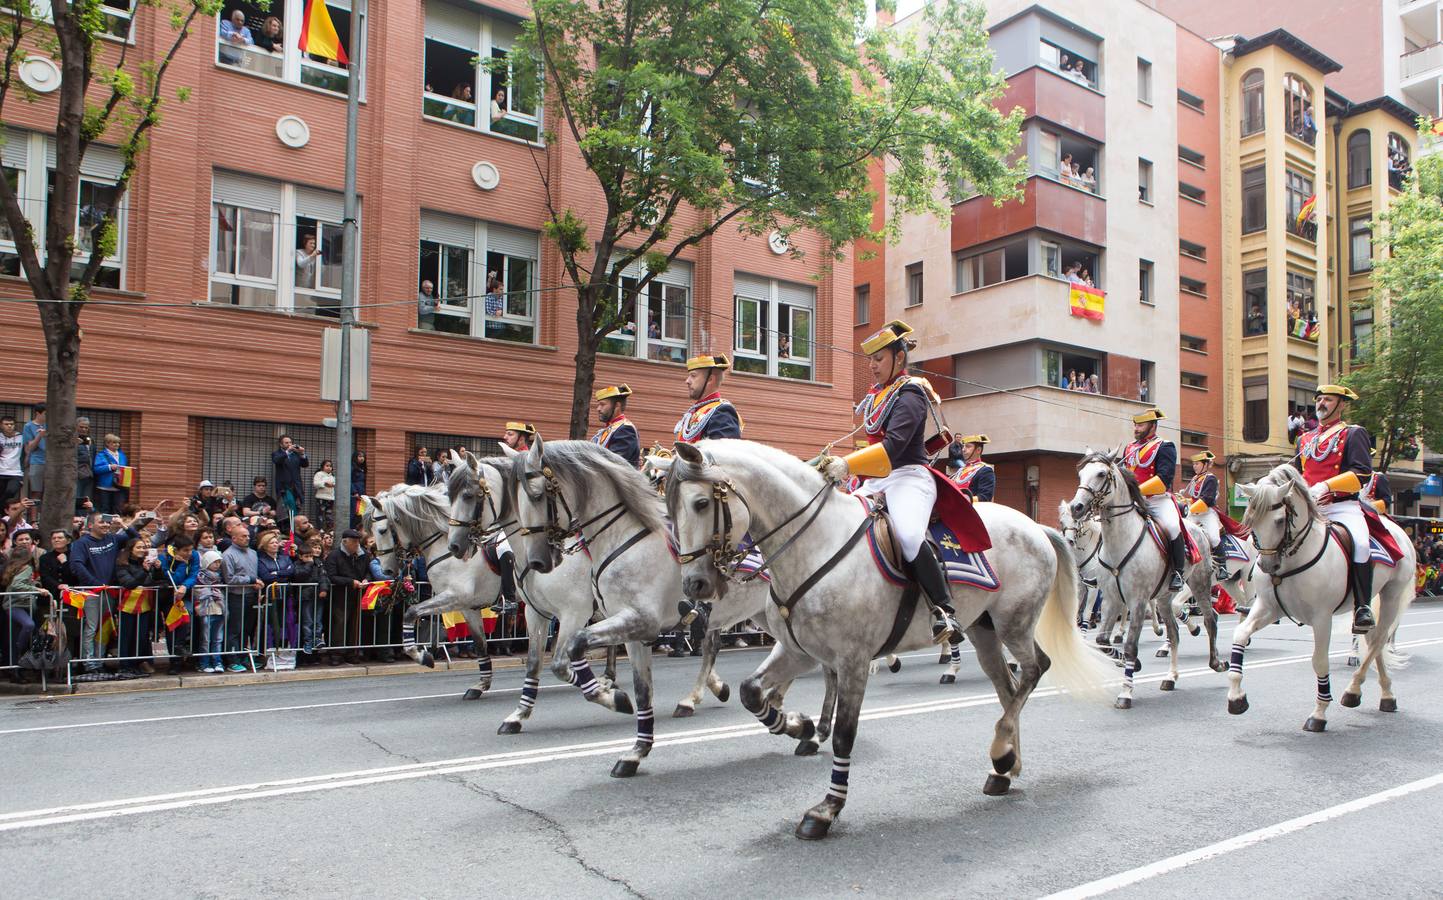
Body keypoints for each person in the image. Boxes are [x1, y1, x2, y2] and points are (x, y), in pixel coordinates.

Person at [824, 320, 963, 642]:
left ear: (899, 358)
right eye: (870, 359)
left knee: (909, 535)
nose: (872, 366)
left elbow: (894, 446)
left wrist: (845, 465)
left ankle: (944, 610)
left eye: (879, 358)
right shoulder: (876, 396)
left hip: (908, 476)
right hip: (875, 479)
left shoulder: (911, 391)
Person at [1291, 384, 1379, 634]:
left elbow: (1361, 474)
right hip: (1311, 507)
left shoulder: (1353, 433)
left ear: (1341, 405)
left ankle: (1362, 607)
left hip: (1342, 507)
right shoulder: (1304, 439)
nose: (1321, 403)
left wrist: (1325, 486)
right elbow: (1298, 473)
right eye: (1319, 399)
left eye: (1328, 400)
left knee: (1361, 544)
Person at [1124, 408, 1186, 592]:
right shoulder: (1129, 448)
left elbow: (1163, 479)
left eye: (1140, 424)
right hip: (1132, 500)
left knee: (1173, 527)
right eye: (1135, 424)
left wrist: (1137, 492)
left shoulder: (1165, 446)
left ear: (1153, 426)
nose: (1136, 428)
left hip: (1158, 500)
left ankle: (1178, 572)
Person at [112, 534, 158, 676]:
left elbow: (154, 582)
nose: (142, 550)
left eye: (143, 547)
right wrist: (144, 571)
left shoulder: (145, 563)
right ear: (130, 549)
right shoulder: (122, 564)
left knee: (141, 637)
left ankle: (137, 664)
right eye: (138, 547)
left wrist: (158, 569)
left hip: (144, 606)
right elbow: (129, 584)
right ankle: (125, 665)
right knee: (126, 637)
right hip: (127, 606)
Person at [324, 529, 370, 665]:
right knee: (339, 623)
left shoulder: (364, 555)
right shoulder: (334, 555)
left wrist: (366, 580)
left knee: (355, 624)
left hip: (358, 594)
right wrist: (351, 582)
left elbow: (368, 571)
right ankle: (336, 653)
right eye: (354, 542)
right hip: (340, 595)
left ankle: (352, 652)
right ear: (345, 542)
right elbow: (331, 576)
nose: (357, 544)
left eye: (358, 541)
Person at [674, 354, 743, 443]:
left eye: (693, 376)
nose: (687, 381)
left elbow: (721, 454)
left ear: (710, 379)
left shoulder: (722, 412)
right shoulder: (693, 412)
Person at [1184, 451, 1230, 580]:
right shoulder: (1194, 479)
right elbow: (1192, 497)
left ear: (1205, 465)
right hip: (1194, 512)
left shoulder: (1211, 478)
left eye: (1197, 464)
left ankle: (1222, 567)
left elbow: (1207, 499)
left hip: (1207, 513)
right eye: (1193, 464)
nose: (1194, 466)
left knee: (1214, 538)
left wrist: (1190, 507)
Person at [221, 523, 260, 672]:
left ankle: (244, 657)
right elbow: (229, 578)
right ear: (234, 538)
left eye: (248, 536)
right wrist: (251, 580)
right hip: (236, 596)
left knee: (247, 629)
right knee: (235, 629)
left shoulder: (253, 553)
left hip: (251, 595)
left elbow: (255, 574)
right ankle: (232, 659)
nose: (247, 538)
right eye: (243, 536)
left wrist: (255, 582)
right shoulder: (228, 555)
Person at [3, 546, 45, 674]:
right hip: (17, 604)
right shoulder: (27, 568)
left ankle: (16, 662)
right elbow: (17, 584)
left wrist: (34, 585)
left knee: (18, 632)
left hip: (15, 605)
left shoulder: (11, 568)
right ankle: (19, 650)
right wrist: (37, 590)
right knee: (29, 625)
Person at [290, 540, 329, 664]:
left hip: (317, 596)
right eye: (307, 556)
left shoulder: (319, 564)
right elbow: (299, 575)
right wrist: (308, 564)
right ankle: (307, 641)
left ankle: (317, 638)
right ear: (300, 556)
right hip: (305, 596)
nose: (310, 559)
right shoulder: (297, 564)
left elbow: (323, 576)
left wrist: (323, 588)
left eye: (311, 556)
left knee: (318, 619)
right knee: (307, 621)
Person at [591, 384, 641, 468]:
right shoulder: (609, 429)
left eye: (602, 404)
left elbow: (614, 464)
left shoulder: (625, 429)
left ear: (617, 405)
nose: (598, 409)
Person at [193, 549, 226, 673]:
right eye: (214, 562)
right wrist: (213, 591)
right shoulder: (200, 576)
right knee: (205, 638)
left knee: (217, 638)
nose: (217, 565)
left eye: (218, 562)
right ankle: (204, 662)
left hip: (218, 609)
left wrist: (214, 592)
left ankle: (217, 661)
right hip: (206, 609)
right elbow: (199, 592)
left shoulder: (219, 577)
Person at [271, 435, 309, 527]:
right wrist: (287, 452)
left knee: (296, 505)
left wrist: (302, 453)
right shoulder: (276, 453)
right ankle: (291, 528)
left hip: (296, 486)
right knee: (287, 508)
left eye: (290, 442)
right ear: (281, 444)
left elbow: (305, 464)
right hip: (284, 486)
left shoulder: (296, 454)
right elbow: (277, 460)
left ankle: (294, 527)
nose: (289, 444)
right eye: (286, 443)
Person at [950, 434, 995, 502]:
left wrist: (962, 500)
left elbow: (985, 497)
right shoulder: (961, 470)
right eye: (963, 446)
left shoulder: (985, 470)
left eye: (968, 446)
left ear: (978, 450)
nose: (963, 449)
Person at [92, 433, 129, 514]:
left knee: (118, 510)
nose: (117, 445)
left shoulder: (122, 456)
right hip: (105, 486)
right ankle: (104, 526)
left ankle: (116, 526)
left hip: (119, 487)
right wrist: (109, 467)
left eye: (118, 443)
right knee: (105, 509)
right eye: (114, 443)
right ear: (107, 443)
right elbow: (96, 469)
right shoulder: (101, 455)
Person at [22, 404, 45, 503]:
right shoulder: (28, 426)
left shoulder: (52, 425)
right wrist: (39, 436)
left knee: (51, 491)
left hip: (52, 462)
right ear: (37, 413)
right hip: (37, 461)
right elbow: (29, 448)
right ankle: (34, 518)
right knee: (36, 492)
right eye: (45, 414)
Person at [71, 417, 94, 515]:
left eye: (86, 427)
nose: (84, 429)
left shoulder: (90, 440)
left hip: (89, 474)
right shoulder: (72, 439)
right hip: (77, 473)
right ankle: (76, 519)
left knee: (86, 499)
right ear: (76, 427)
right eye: (81, 427)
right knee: (77, 498)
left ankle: (84, 519)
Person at [0, 415, 22, 503]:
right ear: (1, 425)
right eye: (6, 424)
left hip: (15, 472)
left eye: (11, 424)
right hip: (1, 471)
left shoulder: (21, 437)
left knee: (11, 491)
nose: (9, 426)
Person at [313, 459, 336, 529]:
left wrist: (333, 485)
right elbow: (315, 484)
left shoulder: (332, 476)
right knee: (320, 515)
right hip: (321, 497)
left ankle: (329, 530)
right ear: (322, 467)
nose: (329, 467)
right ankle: (320, 529)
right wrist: (324, 483)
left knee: (329, 515)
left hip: (330, 498)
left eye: (330, 466)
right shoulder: (319, 474)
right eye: (327, 466)